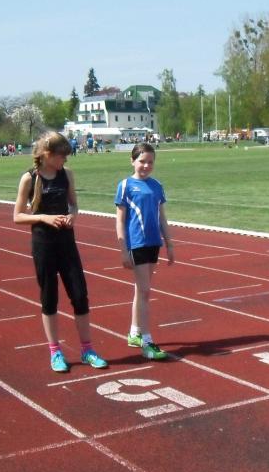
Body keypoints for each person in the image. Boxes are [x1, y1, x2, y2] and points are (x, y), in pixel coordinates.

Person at [13, 131, 107, 373]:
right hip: (43, 244)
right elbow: (17, 216)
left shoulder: (67, 175)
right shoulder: (29, 178)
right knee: (49, 297)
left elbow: (74, 204)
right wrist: (44, 217)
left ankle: (87, 349)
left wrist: (72, 216)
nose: (65, 160)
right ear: (48, 154)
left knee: (79, 295)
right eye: (62, 156)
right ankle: (55, 351)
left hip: (67, 242)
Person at [115, 143, 174, 359]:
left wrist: (169, 244)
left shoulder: (157, 186)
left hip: (153, 243)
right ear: (132, 161)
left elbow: (162, 218)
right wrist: (123, 250)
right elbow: (120, 220)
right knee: (145, 291)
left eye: (150, 162)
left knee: (141, 291)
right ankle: (147, 340)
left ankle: (134, 332)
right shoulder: (125, 185)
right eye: (142, 161)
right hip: (137, 244)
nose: (146, 166)